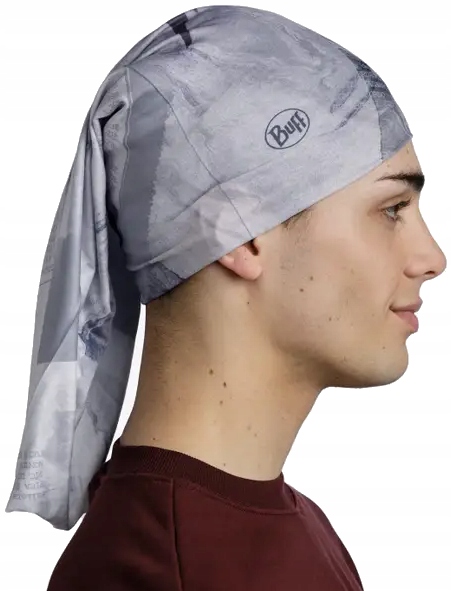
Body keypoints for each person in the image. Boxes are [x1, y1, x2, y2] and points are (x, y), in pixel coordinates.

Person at [5, 5, 446, 591]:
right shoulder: (155, 569)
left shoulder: (282, 524)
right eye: (392, 209)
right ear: (240, 233)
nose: (432, 258)